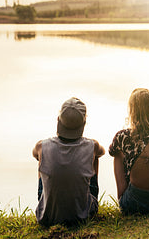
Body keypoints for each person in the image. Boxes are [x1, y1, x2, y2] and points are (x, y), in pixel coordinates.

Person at [33, 97, 105, 227]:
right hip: (84, 216)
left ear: (58, 120)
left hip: (47, 217)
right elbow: (102, 152)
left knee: (42, 159)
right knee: (94, 158)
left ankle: (46, 202)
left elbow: (35, 154)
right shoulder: (92, 146)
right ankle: (88, 201)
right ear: (84, 124)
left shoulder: (42, 146)